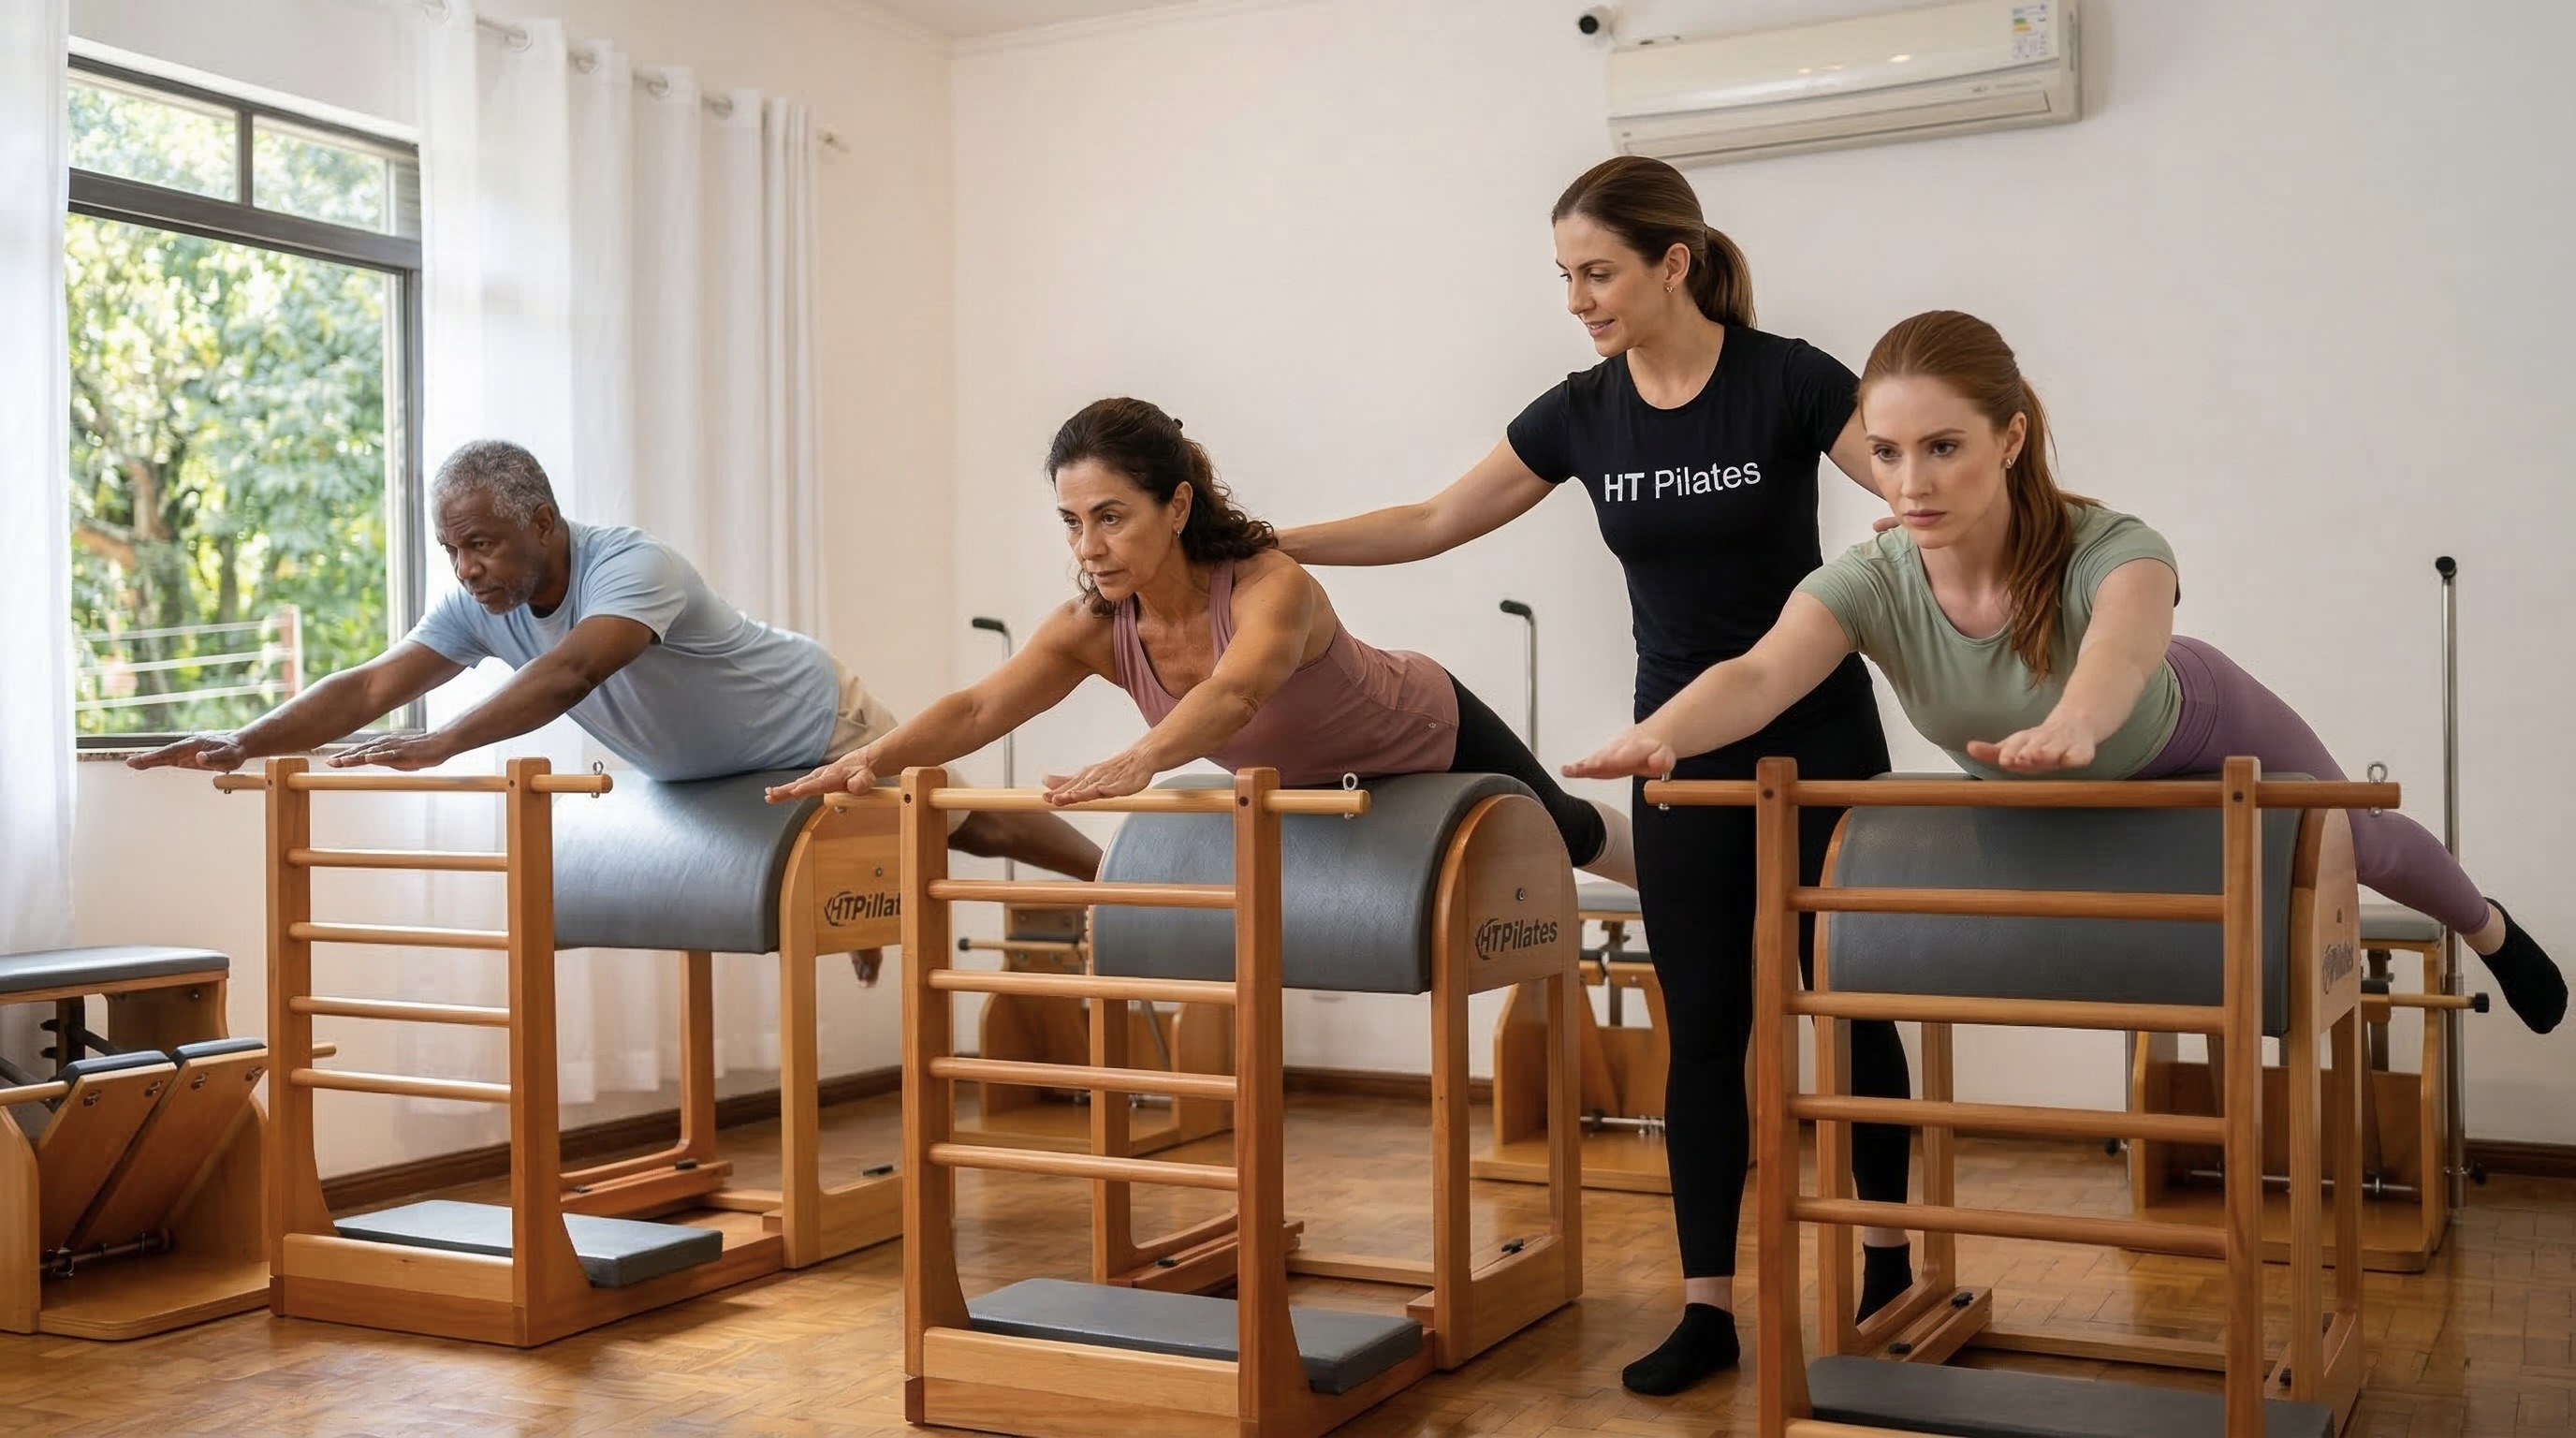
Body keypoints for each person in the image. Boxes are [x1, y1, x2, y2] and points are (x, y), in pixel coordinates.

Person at [1269, 154, 1914, 1393]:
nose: (1578, 298)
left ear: (1676, 262)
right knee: (1707, 1019)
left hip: (1823, 730)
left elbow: (1902, 476)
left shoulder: (1789, 379)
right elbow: (1429, 522)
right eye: (1565, 276)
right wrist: (1267, 540)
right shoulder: (1582, 412)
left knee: (1849, 997)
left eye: (1598, 272)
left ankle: (1886, 1266)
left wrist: (1911, 506)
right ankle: (1707, 1307)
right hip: (1676, 745)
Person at [1566, 308, 2565, 1047]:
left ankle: (2485, 926)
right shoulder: (1867, 582)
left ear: (2007, 439)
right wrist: (1664, 733)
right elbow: (1755, 673)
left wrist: (2076, 727)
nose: (1910, 483)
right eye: (1886, 454)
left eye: (1943, 448)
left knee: (2358, 836)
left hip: (2192, 729)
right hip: (2051, 780)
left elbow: (2119, 654)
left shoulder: (2112, 545)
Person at [131, 439, 1104, 983]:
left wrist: (442, 747)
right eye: (451, 550)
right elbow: (373, 685)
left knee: (966, 823)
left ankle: (1114, 887)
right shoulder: (483, 603)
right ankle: (862, 911)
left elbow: (570, 676)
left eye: (484, 544)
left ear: (542, 525)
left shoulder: (632, 566)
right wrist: (247, 739)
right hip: (701, 777)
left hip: (809, 723)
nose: (469, 570)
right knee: (853, 869)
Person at [768, 398, 1636, 890]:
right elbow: (982, 705)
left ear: (1176, 507)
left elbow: (1236, 694)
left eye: (1112, 518)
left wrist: (1143, 757)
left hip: (1426, 731)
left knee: (1563, 833)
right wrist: (869, 760)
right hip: (1319, 786)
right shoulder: (1093, 630)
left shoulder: (1269, 585)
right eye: (1072, 522)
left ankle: (1678, 883)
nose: (1088, 547)